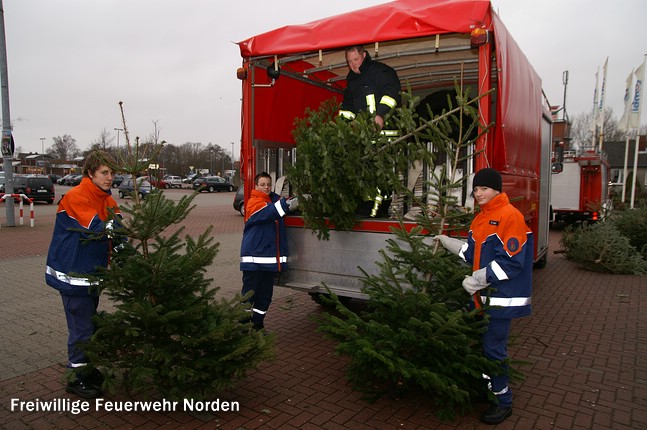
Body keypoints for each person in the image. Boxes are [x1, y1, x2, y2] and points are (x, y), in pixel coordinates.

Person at [435, 168, 533, 425]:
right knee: (483, 347)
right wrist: (449, 243)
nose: (478, 193)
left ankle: (504, 402)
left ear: (497, 190)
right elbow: (471, 252)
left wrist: (478, 279)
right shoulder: (481, 218)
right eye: (476, 189)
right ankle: (489, 389)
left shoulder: (510, 216)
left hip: (500, 298)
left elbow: (512, 263)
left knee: (493, 349)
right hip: (482, 298)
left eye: (484, 189)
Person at [45, 150, 121, 399]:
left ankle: (86, 368)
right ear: (90, 173)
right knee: (81, 329)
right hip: (74, 275)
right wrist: (117, 229)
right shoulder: (77, 197)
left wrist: (124, 247)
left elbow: (118, 232)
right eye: (104, 173)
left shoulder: (106, 199)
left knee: (88, 325)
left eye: (112, 173)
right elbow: (97, 228)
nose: (110, 178)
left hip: (92, 274)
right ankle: (75, 377)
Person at [240, 172, 298, 331]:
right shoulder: (253, 203)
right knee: (249, 295)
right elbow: (270, 212)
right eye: (262, 184)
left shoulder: (273, 201)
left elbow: (276, 207)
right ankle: (243, 325)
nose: (266, 187)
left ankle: (257, 324)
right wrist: (287, 205)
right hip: (253, 260)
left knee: (265, 296)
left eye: (268, 184)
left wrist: (289, 201)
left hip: (268, 260)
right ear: (256, 186)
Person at [338, 45, 401, 130]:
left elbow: (392, 93)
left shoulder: (379, 71)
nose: (353, 64)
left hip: (386, 133)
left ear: (364, 55)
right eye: (350, 61)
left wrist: (380, 114)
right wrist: (343, 127)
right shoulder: (351, 80)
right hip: (364, 136)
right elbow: (348, 106)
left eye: (356, 59)